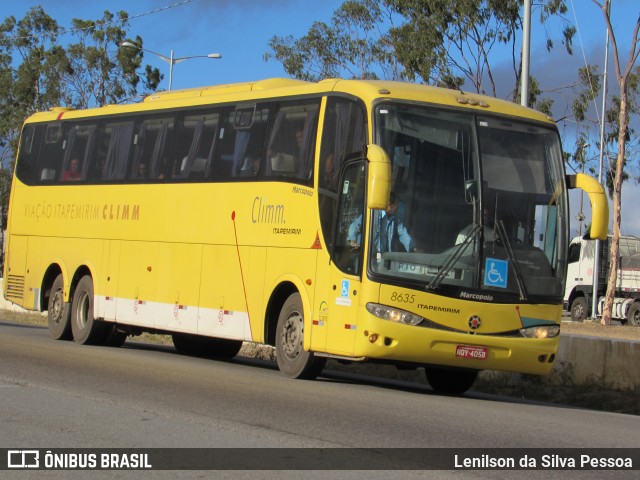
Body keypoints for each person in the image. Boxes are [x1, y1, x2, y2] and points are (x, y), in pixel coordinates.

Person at [348, 192, 416, 253]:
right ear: (389, 205)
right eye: (396, 205)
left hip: (381, 257)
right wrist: (353, 241)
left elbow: (403, 234)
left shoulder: (395, 219)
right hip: (366, 255)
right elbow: (354, 226)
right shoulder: (372, 214)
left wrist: (412, 248)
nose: (397, 208)